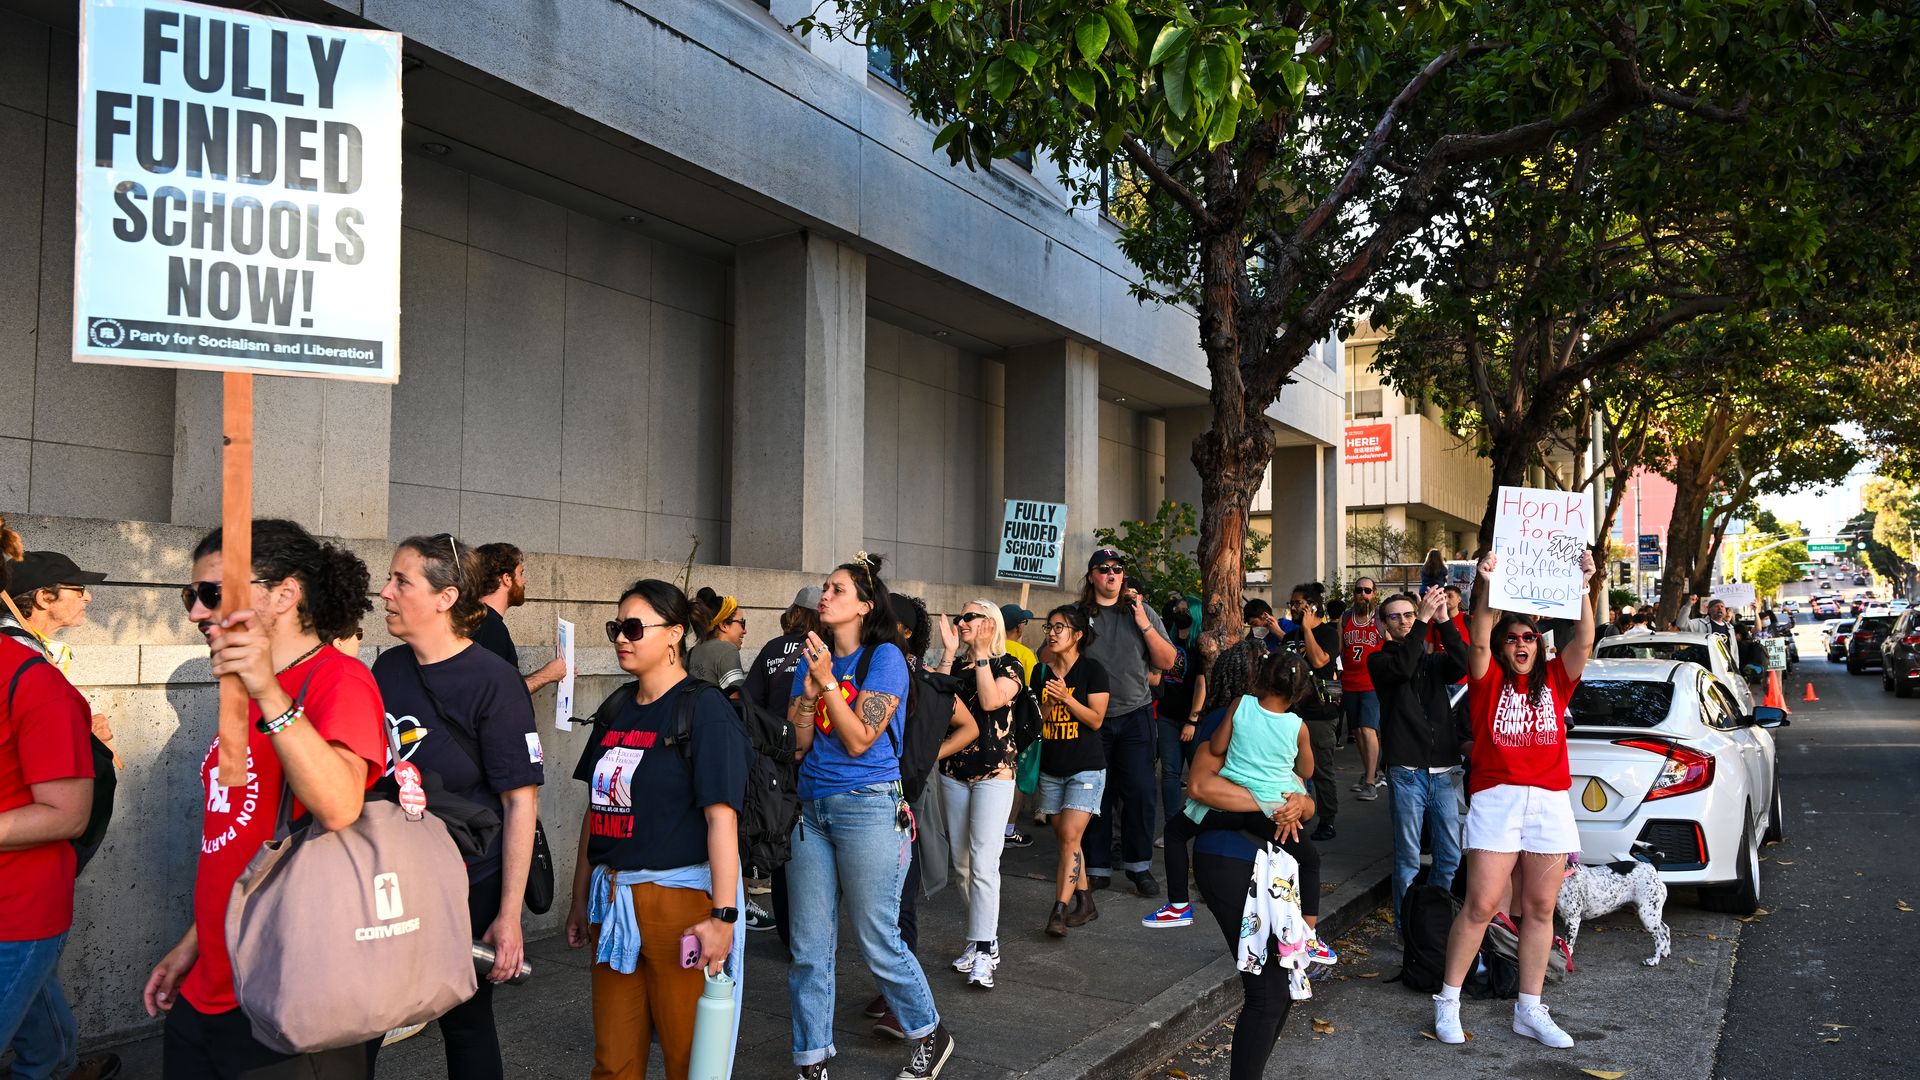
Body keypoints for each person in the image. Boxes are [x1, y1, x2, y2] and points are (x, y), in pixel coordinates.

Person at [144, 519, 385, 1079]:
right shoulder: (242, 690)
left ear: (284, 594)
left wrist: (269, 692)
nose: (197, 612)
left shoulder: (337, 681)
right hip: (211, 983)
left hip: (289, 994)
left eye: (213, 594)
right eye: (191, 595)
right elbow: (238, 843)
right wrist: (194, 943)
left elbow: (340, 804)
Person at [369, 534, 543, 1080]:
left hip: (468, 880)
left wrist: (509, 915)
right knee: (365, 1015)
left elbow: (521, 804)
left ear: (446, 597)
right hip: (392, 877)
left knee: (465, 1021)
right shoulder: (387, 668)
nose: (385, 592)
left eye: (401, 581)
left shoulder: (496, 682)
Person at [564, 579, 747, 1080]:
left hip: (678, 906)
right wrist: (580, 899)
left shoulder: (704, 708)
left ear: (674, 635)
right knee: (613, 1059)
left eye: (633, 628)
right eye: (615, 628)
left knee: (690, 1059)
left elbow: (721, 819)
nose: (621, 638)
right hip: (612, 898)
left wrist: (723, 917)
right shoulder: (616, 708)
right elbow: (595, 810)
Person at [784, 555, 955, 1080]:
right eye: (824, 590)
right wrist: (810, 694)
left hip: (868, 805)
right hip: (810, 809)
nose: (825, 597)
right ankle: (812, 1059)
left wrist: (827, 684)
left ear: (863, 604)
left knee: (877, 936)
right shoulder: (810, 660)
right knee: (809, 946)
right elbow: (799, 743)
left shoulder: (886, 660)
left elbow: (860, 739)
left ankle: (928, 1032)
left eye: (837, 589)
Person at [1432, 549, 1597, 1050]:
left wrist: (1584, 584)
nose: (1521, 644)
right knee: (1482, 904)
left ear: (1538, 644)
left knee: (1541, 907)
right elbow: (1478, 635)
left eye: (1529, 638)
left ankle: (1530, 1008)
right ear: (1504, 647)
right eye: (1513, 638)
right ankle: (1447, 1001)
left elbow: (1585, 638)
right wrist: (1486, 585)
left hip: (1549, 801)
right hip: (1497, 799)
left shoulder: (1555, 680)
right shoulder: (1486, 682)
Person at [1145, 651, 1331, 965]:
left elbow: (1217, 747)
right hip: (1272, 811)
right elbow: (1307, 771)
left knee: (1175, 833)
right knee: (1309, 861)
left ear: (1260, 677)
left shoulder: (1240, 705)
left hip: (1225, 804)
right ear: (1300, 693)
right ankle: (1308, 936)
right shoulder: (1297, 726)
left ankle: (1178, 904)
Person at [0, 518, 99, 1080]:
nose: (88, 598)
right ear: (41, 598)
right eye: (78, 587)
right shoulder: (31, 668)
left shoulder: (35, 676)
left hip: (23, 900)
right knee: (42, 1038)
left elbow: (66, 810)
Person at [1184, 706, 1320, 1080]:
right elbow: (1199, 786)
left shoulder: (1282, 723)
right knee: (1266, 993)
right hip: (1231, 862)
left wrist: (1298, 804)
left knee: (1282, 988)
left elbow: (1305, 796)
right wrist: (1271, 803)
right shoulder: (1225, 721)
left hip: (1274, 869)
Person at [1078, 548, 1176, 896]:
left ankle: (1139, 866)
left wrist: (1143, 622)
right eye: (1104, 569)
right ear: (1091, 576)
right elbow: (1050, 657)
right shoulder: (1078, 615)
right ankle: (1098, 866)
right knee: (1095, 794)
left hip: (1135, 715)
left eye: (1117, 569)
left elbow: (1167, 660)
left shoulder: (1142, 611)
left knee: (1140, 792)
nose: (1112, 575)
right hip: (1092, 717)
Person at [937, 602, 1024, 989]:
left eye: (970, 617)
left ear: (990, 623)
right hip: (953, 772)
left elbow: (990, 702)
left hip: (994, 773)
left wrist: (983, 656)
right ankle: (980, 937)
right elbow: (935, 703)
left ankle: (986, 950)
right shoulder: (956, 666)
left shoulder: (1009, 665)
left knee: (985, 862)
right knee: (961, 864)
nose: (961, 622)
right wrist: (948, 654)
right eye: (960, 616)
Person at [1369, 589, 1468, 919]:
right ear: (1384, 624)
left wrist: (1444, 620)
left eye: (1409, 614)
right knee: (1409, 858)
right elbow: (1402, 668)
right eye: (1395, 616)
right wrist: (1424, 621)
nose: (1404, 621)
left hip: (1443, 773)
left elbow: (1463, 664)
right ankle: (1406, 928)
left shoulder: (1432, 661)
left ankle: (1433, 921)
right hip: (1406, 772)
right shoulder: (1379, 660)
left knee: (1451, 855)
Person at [742, 586, 823, 938]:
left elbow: (748, 702)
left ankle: (788, 930)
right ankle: (810, 931)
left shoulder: (773, 649)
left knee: (781, 838)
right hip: (812, 756)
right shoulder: (824, 652)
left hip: (775, 760)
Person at [1031, 604, 1110, 936]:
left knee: (1069, 837)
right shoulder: (1040, 672)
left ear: (1077, 635)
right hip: (1051, 769)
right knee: (1069, 840)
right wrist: (1050, 701)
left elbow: (1095, 719)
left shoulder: (1093, 671)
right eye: (1049, 626)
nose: (1051, 632)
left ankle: (1058, 911)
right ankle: (1087, 901)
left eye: (1059, 627)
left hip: (1086, 769)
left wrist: (1067, 698)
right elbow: (1038, 722)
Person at [471, 542, 568, 695]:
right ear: (507, 579)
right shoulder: (490, 627)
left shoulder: (477, 621)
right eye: (521, 573)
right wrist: (546, 675)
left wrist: (554, 672)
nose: (524, 581)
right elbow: (498, 695)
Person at [1153, 597, 1202, 832]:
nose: (1180, 613)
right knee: (1170, 774)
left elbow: (1202, 686)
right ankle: (1172, 827)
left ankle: (1198, 824)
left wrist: (1193, 720)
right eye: (1178, 610)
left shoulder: (1201, 646)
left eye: (1185, 610)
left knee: (1198, 773)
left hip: (1192, 719)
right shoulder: (1167, 642)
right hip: (1166, 716)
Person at [1339, 578, 1386, 799]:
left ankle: (1369, 781)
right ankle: (1371, 772)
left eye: (1367, 590)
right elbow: (1341, 649)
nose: (1363, 594)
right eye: (1359, 590)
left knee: (1368, 729)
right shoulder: (1346, 618)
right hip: (1350, 681)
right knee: (1357, 731)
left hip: (1372, 682)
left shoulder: (1380, 618)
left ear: (1374, 593)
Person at [997, 605, 1039, 849]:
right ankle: (1008, 830)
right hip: (1018, 725)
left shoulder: (989, 648)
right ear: (1019, 626)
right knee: (1018, 778)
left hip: (992, 726)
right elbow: (1034, 689)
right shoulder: (1024, 653)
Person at [687, 587, 749, 695]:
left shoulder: (691, 653)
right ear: (724, 625)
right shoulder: (727, 650)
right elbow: (737, 698)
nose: (745, 631)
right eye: (742, 623)